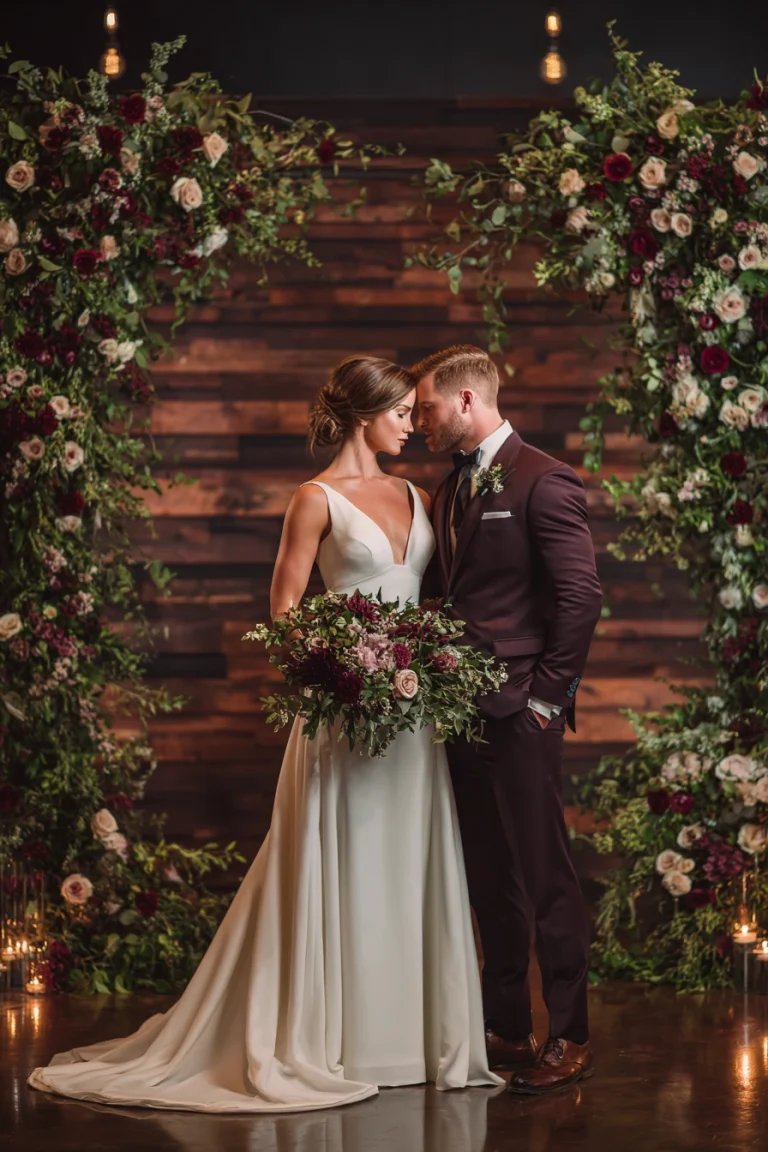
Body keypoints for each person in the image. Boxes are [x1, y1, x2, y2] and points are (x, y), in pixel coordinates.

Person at [28, 355, 502, 1113]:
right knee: (340, 863)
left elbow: (436, 598)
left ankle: (412, 1040)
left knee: (408, 861)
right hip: (344, 718)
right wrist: (345, 670)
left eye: (417, 414)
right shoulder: (314, 500)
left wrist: (425, 666)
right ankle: (335, 1038)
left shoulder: (421, 493)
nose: (415, 425)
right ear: (364, 416)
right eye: (403, 414)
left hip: (414, 721)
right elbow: (283, 613)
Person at [415, 344, 603, 1095]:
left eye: (428, 407)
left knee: (546, 872)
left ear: (466, 402)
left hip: (522, 710)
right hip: (461, 711)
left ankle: (570, 1032)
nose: (420, 421)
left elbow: (580, 596)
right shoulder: (447, 486)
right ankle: (508, 1028)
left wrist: (545, 701)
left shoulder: (544, 480)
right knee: (490, 877)